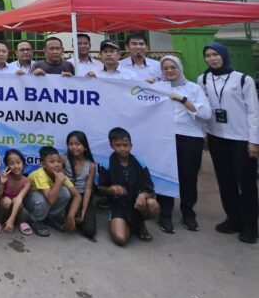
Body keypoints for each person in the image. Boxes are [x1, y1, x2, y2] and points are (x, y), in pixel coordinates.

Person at [197, 42, 259, 243]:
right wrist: (205, 134)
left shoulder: (243, 80)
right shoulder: (203, 79)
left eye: (215, 54)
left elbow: (253, 111)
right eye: (208, 55)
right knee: (225, 180)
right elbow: (203, 106)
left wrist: (254, 141)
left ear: (224, 55)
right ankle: (233, 218)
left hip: (241, 138)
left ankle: (250, 225)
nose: (212, 58)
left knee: (247, 183)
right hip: (217, 137)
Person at [155, 55, 211, 234]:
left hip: (189, 138)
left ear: (180, 68)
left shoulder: (193, 88)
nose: (169, 71)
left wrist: (183, 100)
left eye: (173, 67)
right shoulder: (158, 87)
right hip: (164, 138)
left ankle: (188, 212)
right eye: (165, 68)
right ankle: (165, 213)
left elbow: (206, 114)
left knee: (188, 177)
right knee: (165, 175)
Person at [97, 126, 160, 245]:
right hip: (118, 205)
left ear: (131, 145)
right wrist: (111, 190)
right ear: (111, 146)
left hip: (137, 204)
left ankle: (140, 223)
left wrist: (143, 195)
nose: (122, 149)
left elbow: (151, 187)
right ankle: (124, 223)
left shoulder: (139, 162)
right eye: (118, 145)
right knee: (121, 239)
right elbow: (100, 188)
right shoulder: (107, 164)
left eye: (125, 145)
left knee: (153, 204)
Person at [24, 146, 81, 235]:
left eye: (58, 161)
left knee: (65, 192)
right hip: (31, 198)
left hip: (46, 194)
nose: (56, 164)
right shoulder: (40, 174)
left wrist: (71, 215)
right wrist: (58, 181)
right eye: (52, 162)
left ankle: (50, 217)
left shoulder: (59, 173)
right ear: (43, 164)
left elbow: (77, 195)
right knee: (43, 201)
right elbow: (50, 200)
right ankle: (36, 220)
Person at [61, 130, 97, 239]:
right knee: (66, 220)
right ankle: (69, 216)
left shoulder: (91, 165)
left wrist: (83, 210)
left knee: (90, 231)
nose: (73, 147)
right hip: (67, 195)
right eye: (71, 144)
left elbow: (88, 189)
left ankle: (76, 217)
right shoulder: (63, 159)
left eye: (77, 144)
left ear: (85, 147)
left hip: (82, 196)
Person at [0, 148, 32, 234]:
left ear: (23, 163)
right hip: (3, 208)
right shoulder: (4, 177)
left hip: (17, 208)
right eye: (11, 164)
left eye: (18, 163)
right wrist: (1, 183)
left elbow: (19, 199)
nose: (16, 166)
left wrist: (11, 219)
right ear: (7, 166)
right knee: (7, 200)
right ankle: (0, 220)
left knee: (16, 200)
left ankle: (17, 221)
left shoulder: (27, 181)